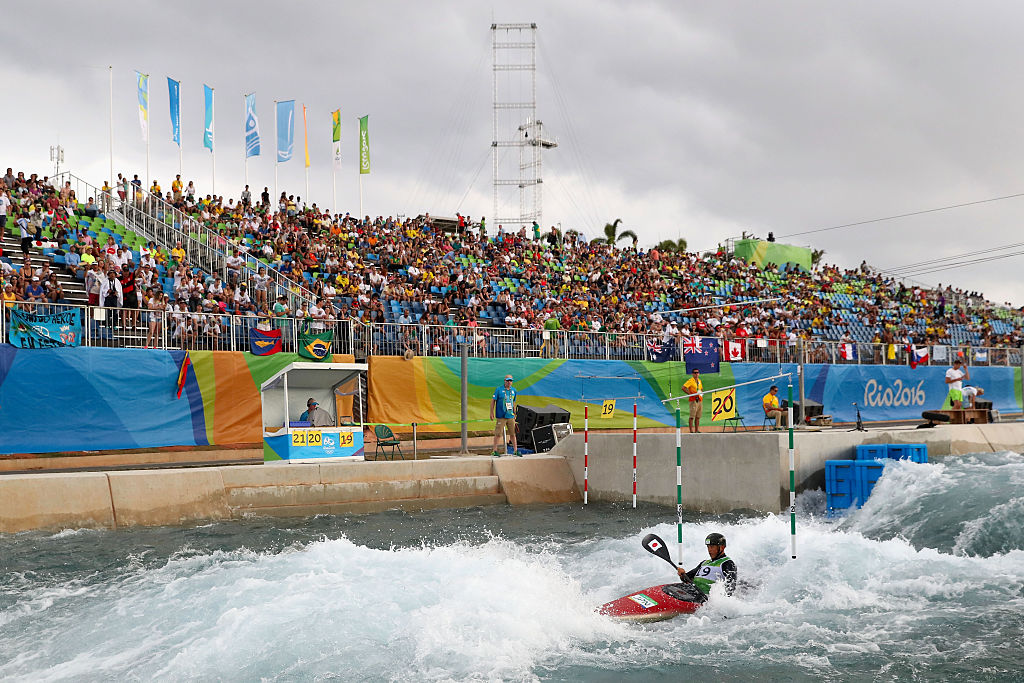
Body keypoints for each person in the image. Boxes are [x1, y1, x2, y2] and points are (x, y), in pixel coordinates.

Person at [677, 532, 737, 597]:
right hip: (693, 593)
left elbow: (731, 588)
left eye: (712, 547)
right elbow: (686, 579)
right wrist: (682, 574)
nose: (709, 550)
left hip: (706, 599)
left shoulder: (727, 563)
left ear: (722, 547)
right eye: (708, 547)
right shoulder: (704, 563)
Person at [490, 374, 519, 457]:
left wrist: (514, 413)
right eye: (508, 380)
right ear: (504, 381)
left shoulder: (514, 390)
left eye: (511, 381)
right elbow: (493, 401)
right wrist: (491, 413)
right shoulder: (499, 389)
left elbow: (513, 402)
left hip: (510, 416)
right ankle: (494, 450)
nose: (509, 382)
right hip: (501, 416)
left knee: (513, 433)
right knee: (498, 433)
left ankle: (515, 450)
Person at [682, 368, 703, 433]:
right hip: (693, 400)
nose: (696, 374)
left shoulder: (699, 381)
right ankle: (691, 430)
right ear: (692, 374)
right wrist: (690, 394)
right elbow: (683, 388)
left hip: (699, 399)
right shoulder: (690, 381)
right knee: (692, 416)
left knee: (698, 416)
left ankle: (696, 430)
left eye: (697, 372)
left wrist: (701, 394)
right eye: (695, 373)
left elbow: (701, 389)